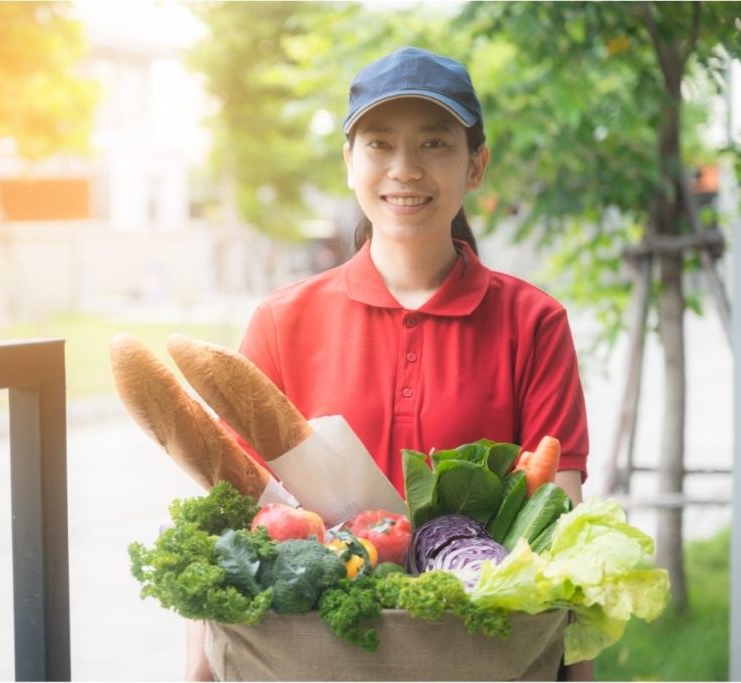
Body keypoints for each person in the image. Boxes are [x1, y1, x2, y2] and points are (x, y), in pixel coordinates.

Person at [186, 46, 591, 681]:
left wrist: (577, 674)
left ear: (475, 165)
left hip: (476, 660)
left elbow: (558, 525)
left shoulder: (532, 323)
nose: (405, 169)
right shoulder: (281, 322)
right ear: (349, 163)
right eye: (379, 143)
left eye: (434, 144)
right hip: (313, 661)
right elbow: (231, 512)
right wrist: (200, 673)